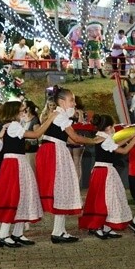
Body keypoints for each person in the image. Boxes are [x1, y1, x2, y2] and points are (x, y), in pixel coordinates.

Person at [36, 87, 104, 243]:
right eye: (71, 100)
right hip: (55, 152)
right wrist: (93, 141)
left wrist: (87, 141)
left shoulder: (59, 116)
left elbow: (68, 139)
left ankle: (59, 231)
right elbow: (75, 137)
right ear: (61, 101)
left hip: (54, 150)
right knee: (62, 187)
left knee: (62, 189)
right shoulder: (60, 116)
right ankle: (58, 231)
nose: (74, 103)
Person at [0, 100, 56, 248]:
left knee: (23, 195)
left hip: (17, 162)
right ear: (14, 113)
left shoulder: (10, 126)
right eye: (21, 111)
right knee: (13, 196)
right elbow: (36, 134)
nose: (23, 113)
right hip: (14, 163)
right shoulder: (13, 126)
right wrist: (51, 118)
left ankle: (17, 233)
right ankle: (3, 235)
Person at [79, 114, 135, 238]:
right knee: (104, 199)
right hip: (105, 171)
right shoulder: (105, 138)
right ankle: (97, 225)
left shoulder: (102, 136)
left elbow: (115, 145)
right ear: (109, 127)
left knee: (106, 198)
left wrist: (129, 137)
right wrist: (134, 139)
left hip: (102, 170)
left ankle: (105, 226)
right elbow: (123, 151)